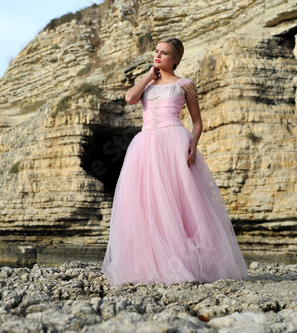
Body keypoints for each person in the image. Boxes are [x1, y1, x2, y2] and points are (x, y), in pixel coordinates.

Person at [102, 37, 249, 286]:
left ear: (176, 59)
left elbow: (198, 121)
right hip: (145, 145)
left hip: (173, 143)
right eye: (156, 51)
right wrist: (150, 76)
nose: (158, 56)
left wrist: (194, 142)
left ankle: (185, 261)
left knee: (180, 201)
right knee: (147, 202)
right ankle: (149, 263)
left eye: (165, 53)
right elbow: (130, 99)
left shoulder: (185, 84)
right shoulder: (148, 84)